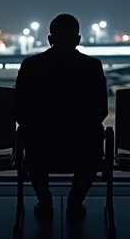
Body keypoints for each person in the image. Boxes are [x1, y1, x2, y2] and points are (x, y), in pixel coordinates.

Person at [15, 14, 108, 221]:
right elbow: (101, 110)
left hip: (40, 145)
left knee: (29, 138)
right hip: (82, 145)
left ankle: (45, 202)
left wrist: (41, 126)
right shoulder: (92, 66)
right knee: (94, 138)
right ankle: (75, 202)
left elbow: (19, 109)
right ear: (78, 40)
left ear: (50, 39)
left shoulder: (31, 65)